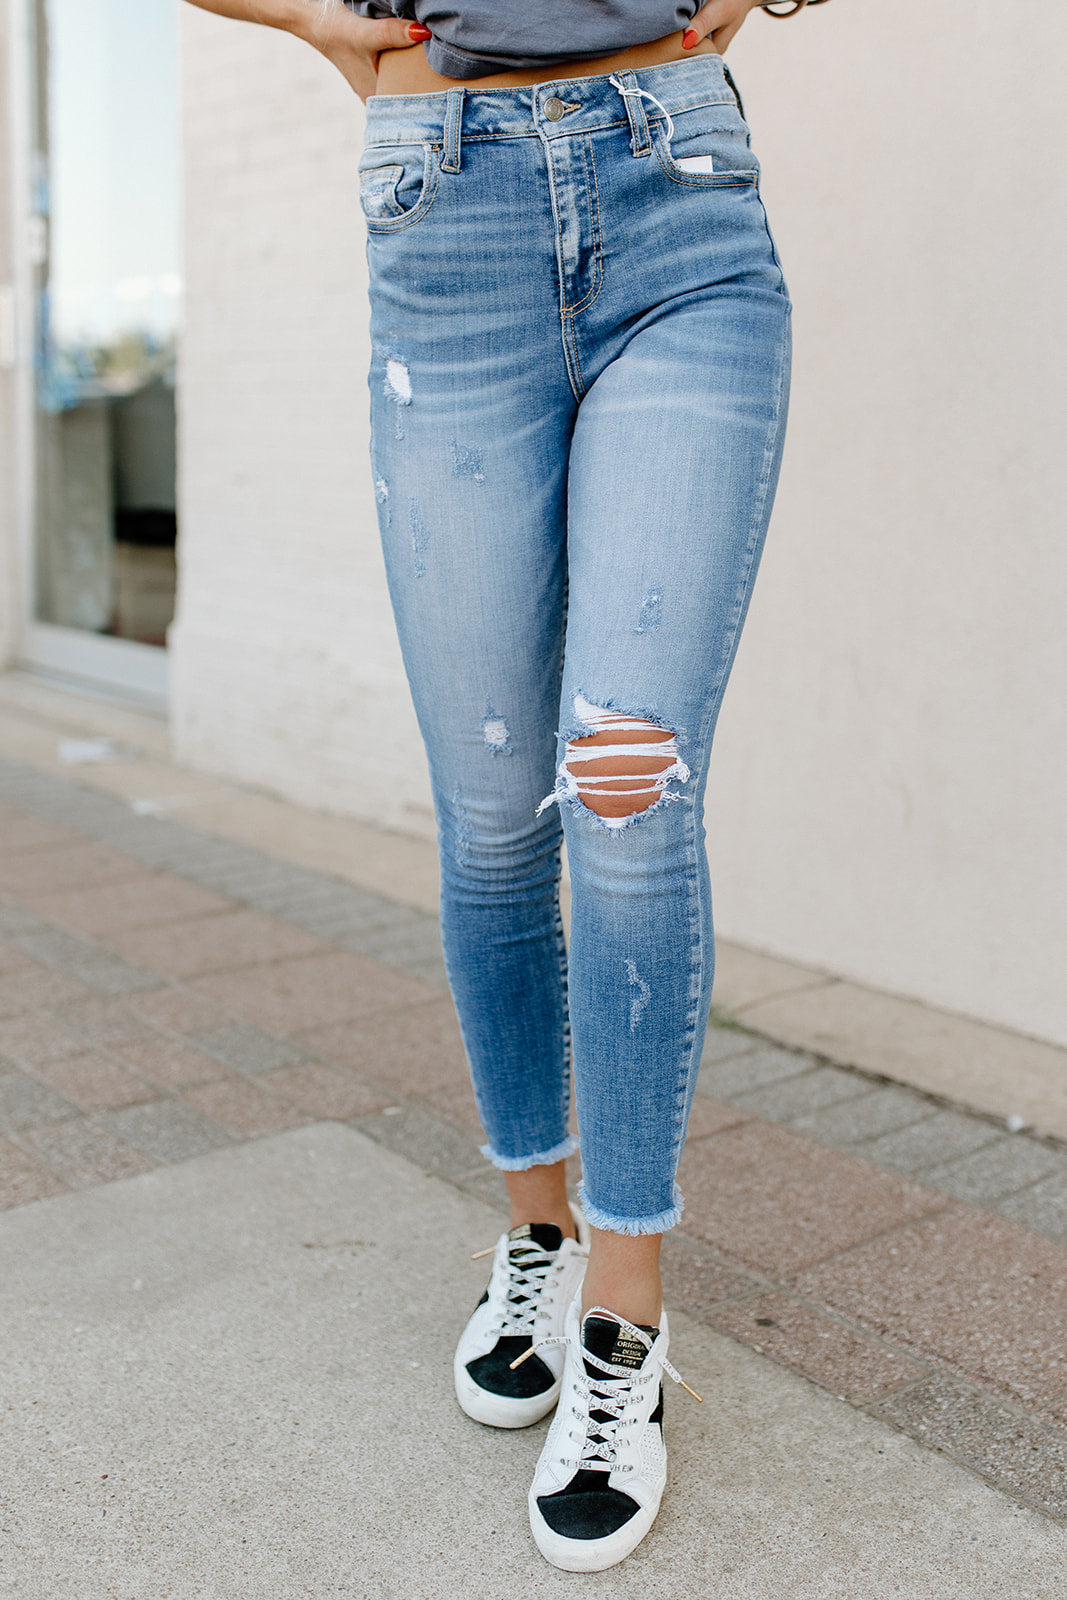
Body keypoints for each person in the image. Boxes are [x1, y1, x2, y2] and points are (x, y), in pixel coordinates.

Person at [183, 0, 825, 1570]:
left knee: (626, 792)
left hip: (677, 203)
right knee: (492, 821)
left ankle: (624, 1312)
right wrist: (315, 23)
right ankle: (536, 1223)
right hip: (445, 209)